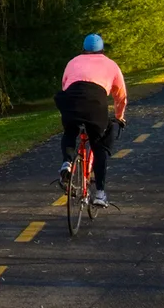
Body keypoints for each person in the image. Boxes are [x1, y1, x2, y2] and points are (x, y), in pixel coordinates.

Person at [54, 33, 127, 207]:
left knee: (70, 130)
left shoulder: (73, 61)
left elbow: (65, 84)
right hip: (95, 102)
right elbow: (121, 96)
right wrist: (119, 116)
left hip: (70, 99)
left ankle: (67, 162)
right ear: (102, 50)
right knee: (99, 143)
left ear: (83, 49)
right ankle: (100, 193)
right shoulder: (111, 65)